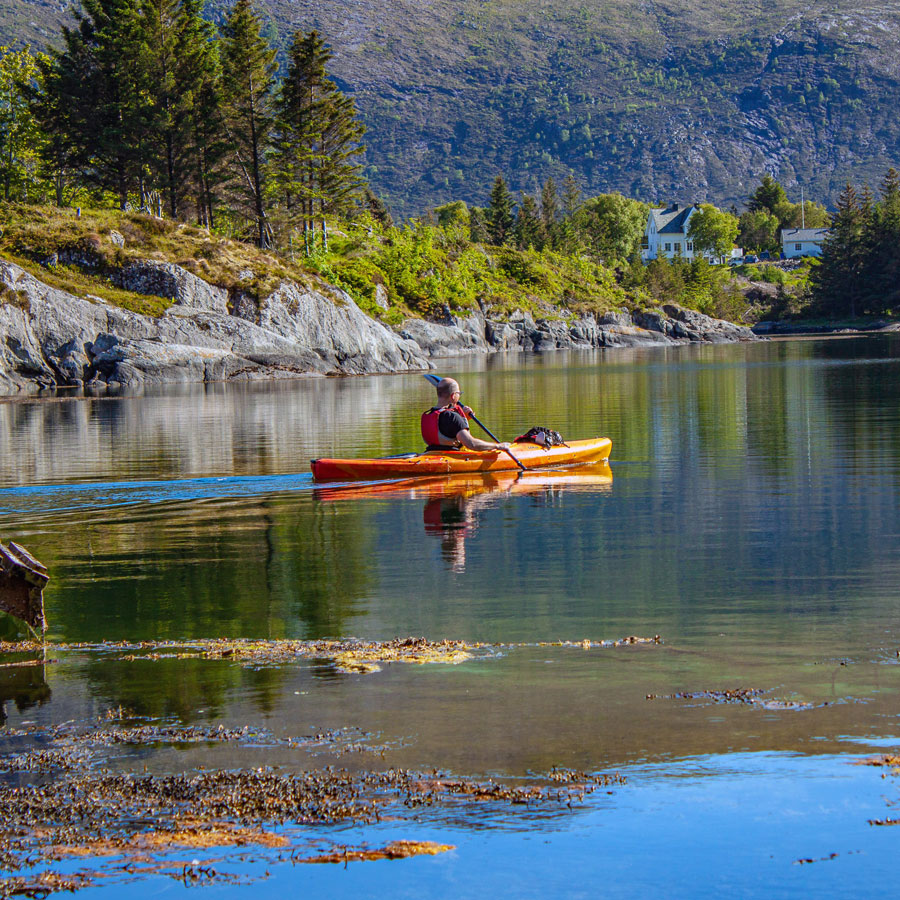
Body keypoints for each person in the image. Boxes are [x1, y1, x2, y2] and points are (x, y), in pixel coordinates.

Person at [421, 378, 511, 452]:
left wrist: (464, 420)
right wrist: (498, 446)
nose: (459, 396)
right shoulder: (452, 417)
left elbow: (445, 432)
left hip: (430, 453)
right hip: (452, 457)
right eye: (458, 394)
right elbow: (471, 444)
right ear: (453, 396)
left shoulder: (429, 414)